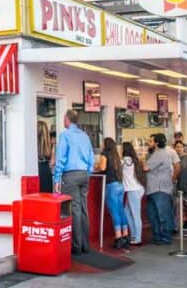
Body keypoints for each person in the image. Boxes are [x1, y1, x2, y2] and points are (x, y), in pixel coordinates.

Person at [54, 109, 95, 255]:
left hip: (70, 176)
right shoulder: (85, 136)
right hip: (84, 174)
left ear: (67, 119)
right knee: (84, 209)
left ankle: (76, 246)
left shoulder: (65, 135)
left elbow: (61, 158)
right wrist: (88, 172)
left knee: (75, 210)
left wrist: (57, 178)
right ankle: (85, 245)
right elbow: (92, 157)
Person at [145, 133, 179, 245]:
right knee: (153, 214)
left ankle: (165, 236)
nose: (148, 143)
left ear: (157, 143)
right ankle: (157, 235)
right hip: (154, 188)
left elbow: (146, 167)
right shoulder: (156, 153)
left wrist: (140, 160)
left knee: (162, 214)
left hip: (159, 188)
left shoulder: (160, 154)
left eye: (151, 141)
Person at [96, 138, 129, 248]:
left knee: (114, 212)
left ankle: (118, 238)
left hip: (111, 185)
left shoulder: (105, 154)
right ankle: (125, 236)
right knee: (121, 210)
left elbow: (102, 167)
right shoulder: (116, 155)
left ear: (105, 145)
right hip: (120, 185)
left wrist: (96, 166)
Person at [122, 142, 146, 246]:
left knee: (135, 215)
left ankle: (138, 238)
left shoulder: (122, 161)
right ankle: (134, 235)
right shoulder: (136, 160)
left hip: (133, 190)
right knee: (127, 212)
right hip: (138, 188)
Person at [37, 121, 54, 193]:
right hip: (46, 172)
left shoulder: (32, 143)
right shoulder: (50, 145)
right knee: (46, 199)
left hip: (36, 171)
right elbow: (52, 162)